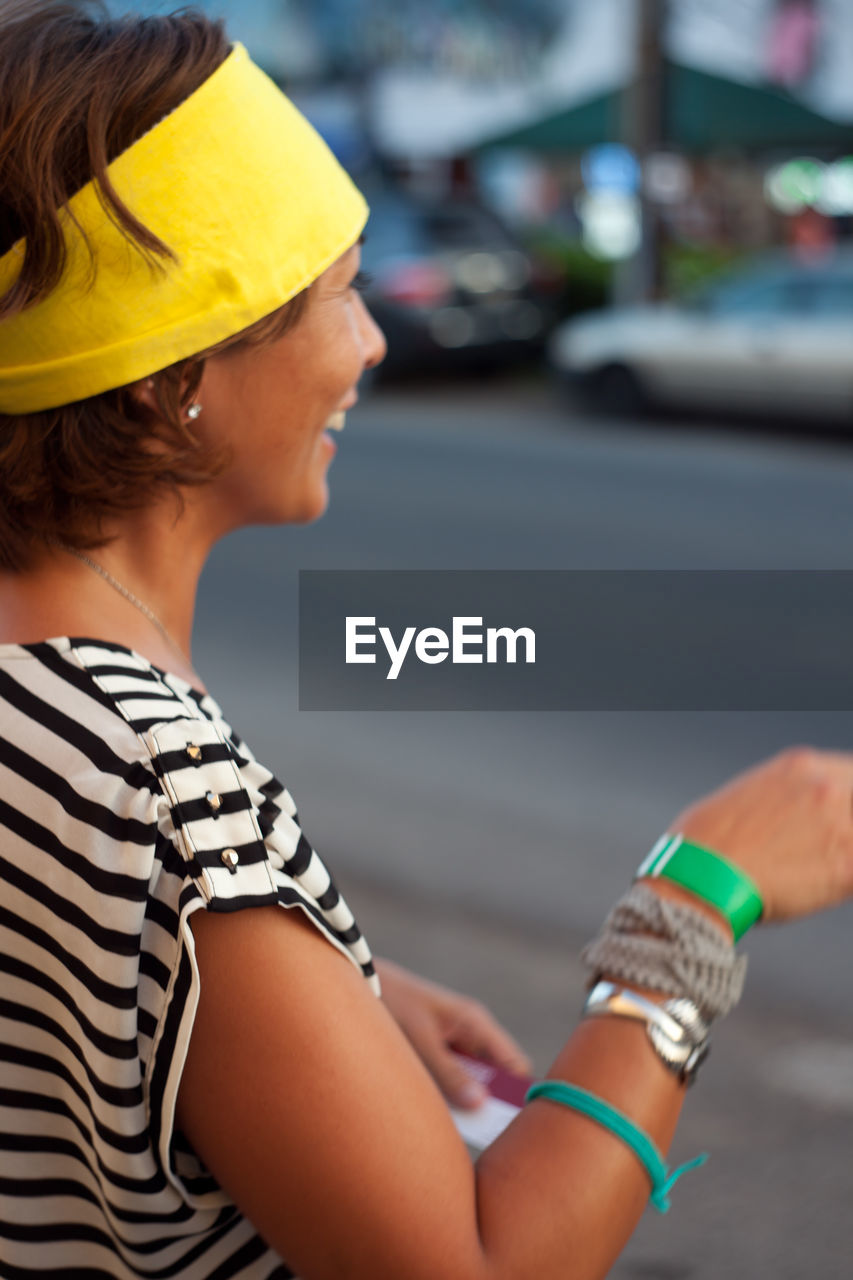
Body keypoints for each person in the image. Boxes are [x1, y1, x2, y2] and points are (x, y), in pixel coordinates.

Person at [0, 3, 852, 1277]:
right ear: (167, 366)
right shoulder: (160, 785)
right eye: (337, 293)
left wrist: (327, 989)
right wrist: (694, 908)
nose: (371, 342)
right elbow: (479, 1266)